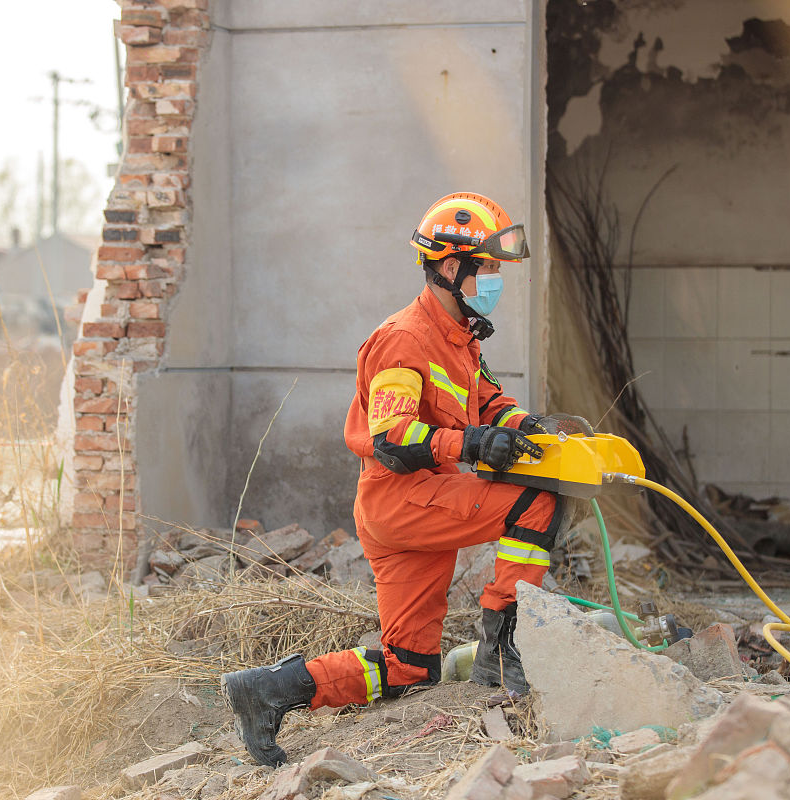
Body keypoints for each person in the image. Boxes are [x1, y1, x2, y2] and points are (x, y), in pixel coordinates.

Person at [222, 192, 569, 768]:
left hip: (412, 507)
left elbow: (489, 402)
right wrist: (471, 444)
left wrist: (526, 428)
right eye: (487, 268)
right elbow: (393, 441)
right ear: (451, 267)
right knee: (535, 503)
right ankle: (500, 655)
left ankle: (266, 691)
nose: (495, 280)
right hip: (403, 497)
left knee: (408, 668)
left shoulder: (461, 335)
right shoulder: (405, 339)